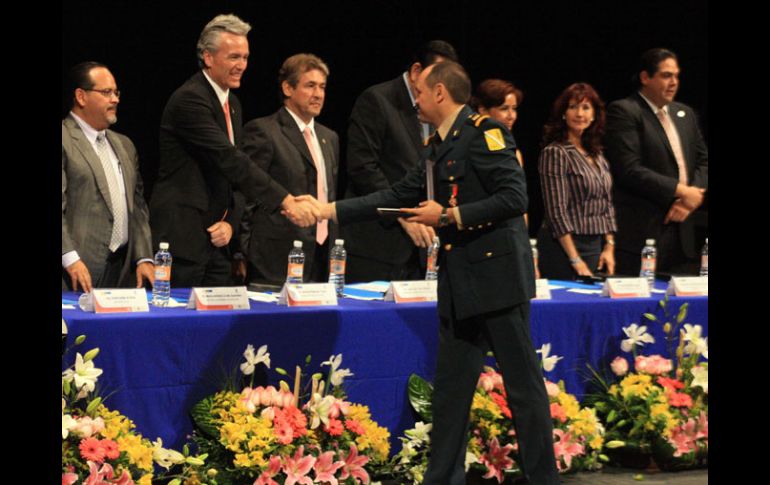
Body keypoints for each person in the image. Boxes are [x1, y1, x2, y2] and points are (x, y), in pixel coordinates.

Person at [302, 61, 560, 485]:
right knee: (451, 394)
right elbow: (398, 195)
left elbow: (515, 196)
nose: (415, 99)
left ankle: (544, 479)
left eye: (419, 92)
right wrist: (325, 210)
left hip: (497, 283)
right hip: (461, 285)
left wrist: (452, 215)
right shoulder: (439, 144)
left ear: (440, 92)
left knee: (523, 389)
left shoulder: (485, 133)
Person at [150, 14, 318, 288]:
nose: (241, 65)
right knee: (179, 326)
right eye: (233, 57)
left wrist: (231, 222)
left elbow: (233, 178)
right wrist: (285, 200)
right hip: (182, 240)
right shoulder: (190, 100)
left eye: (245, 57)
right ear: (207, 57)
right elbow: (229, 160)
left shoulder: (233, 103)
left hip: (219, 240)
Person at [341, 40, 458, 283]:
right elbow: (363, 168)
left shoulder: (438, 109)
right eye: (436, 78)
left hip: (425, 248)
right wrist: (400, 214)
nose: (441, 88)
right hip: (377, 245)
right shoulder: (377, 100)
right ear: (416, 71)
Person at [237, 54, 339, 285]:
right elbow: (248, 195)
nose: (318, 94)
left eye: (322, 87)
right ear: (287, 88)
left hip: (322, 256)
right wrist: (242, 252)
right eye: (310, 86)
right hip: (274, 258)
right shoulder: (263, 131)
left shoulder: (329, 137)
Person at [605, 48, 708, 276]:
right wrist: (680, 190)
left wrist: (692, 198)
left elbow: (703, 161)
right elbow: (628, 169)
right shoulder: (625, 111)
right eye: (666, 75)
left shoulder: (685, 114)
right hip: (644, 234)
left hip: (686, 233)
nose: (674, 82)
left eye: (676, 76)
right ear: (645, 77)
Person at [62, 61, 154, 293]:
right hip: (74, 271)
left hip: (121, 271)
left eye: (116, 92)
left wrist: (143, 257)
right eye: (106, 92)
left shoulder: (124, 144)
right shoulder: (64, 139)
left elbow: (138, 206)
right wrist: (70, 259)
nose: (115, 99)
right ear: (81, 96)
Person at [536, 83, 617, 280]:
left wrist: (609, 246)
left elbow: (606, 203)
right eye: (573, 107)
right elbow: (556, 212)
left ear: (594, 115)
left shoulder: (597, 154)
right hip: (564, 247)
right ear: (563, 113)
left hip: (595, 244)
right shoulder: (556, 152)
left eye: (585, 107)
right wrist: (575, 259)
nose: (579, 113)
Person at [472, 78, 525, 166]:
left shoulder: (513, 151)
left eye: (514, 108)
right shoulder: (473, 145)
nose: (511, 116)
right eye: (504, 109)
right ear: (483, 110)